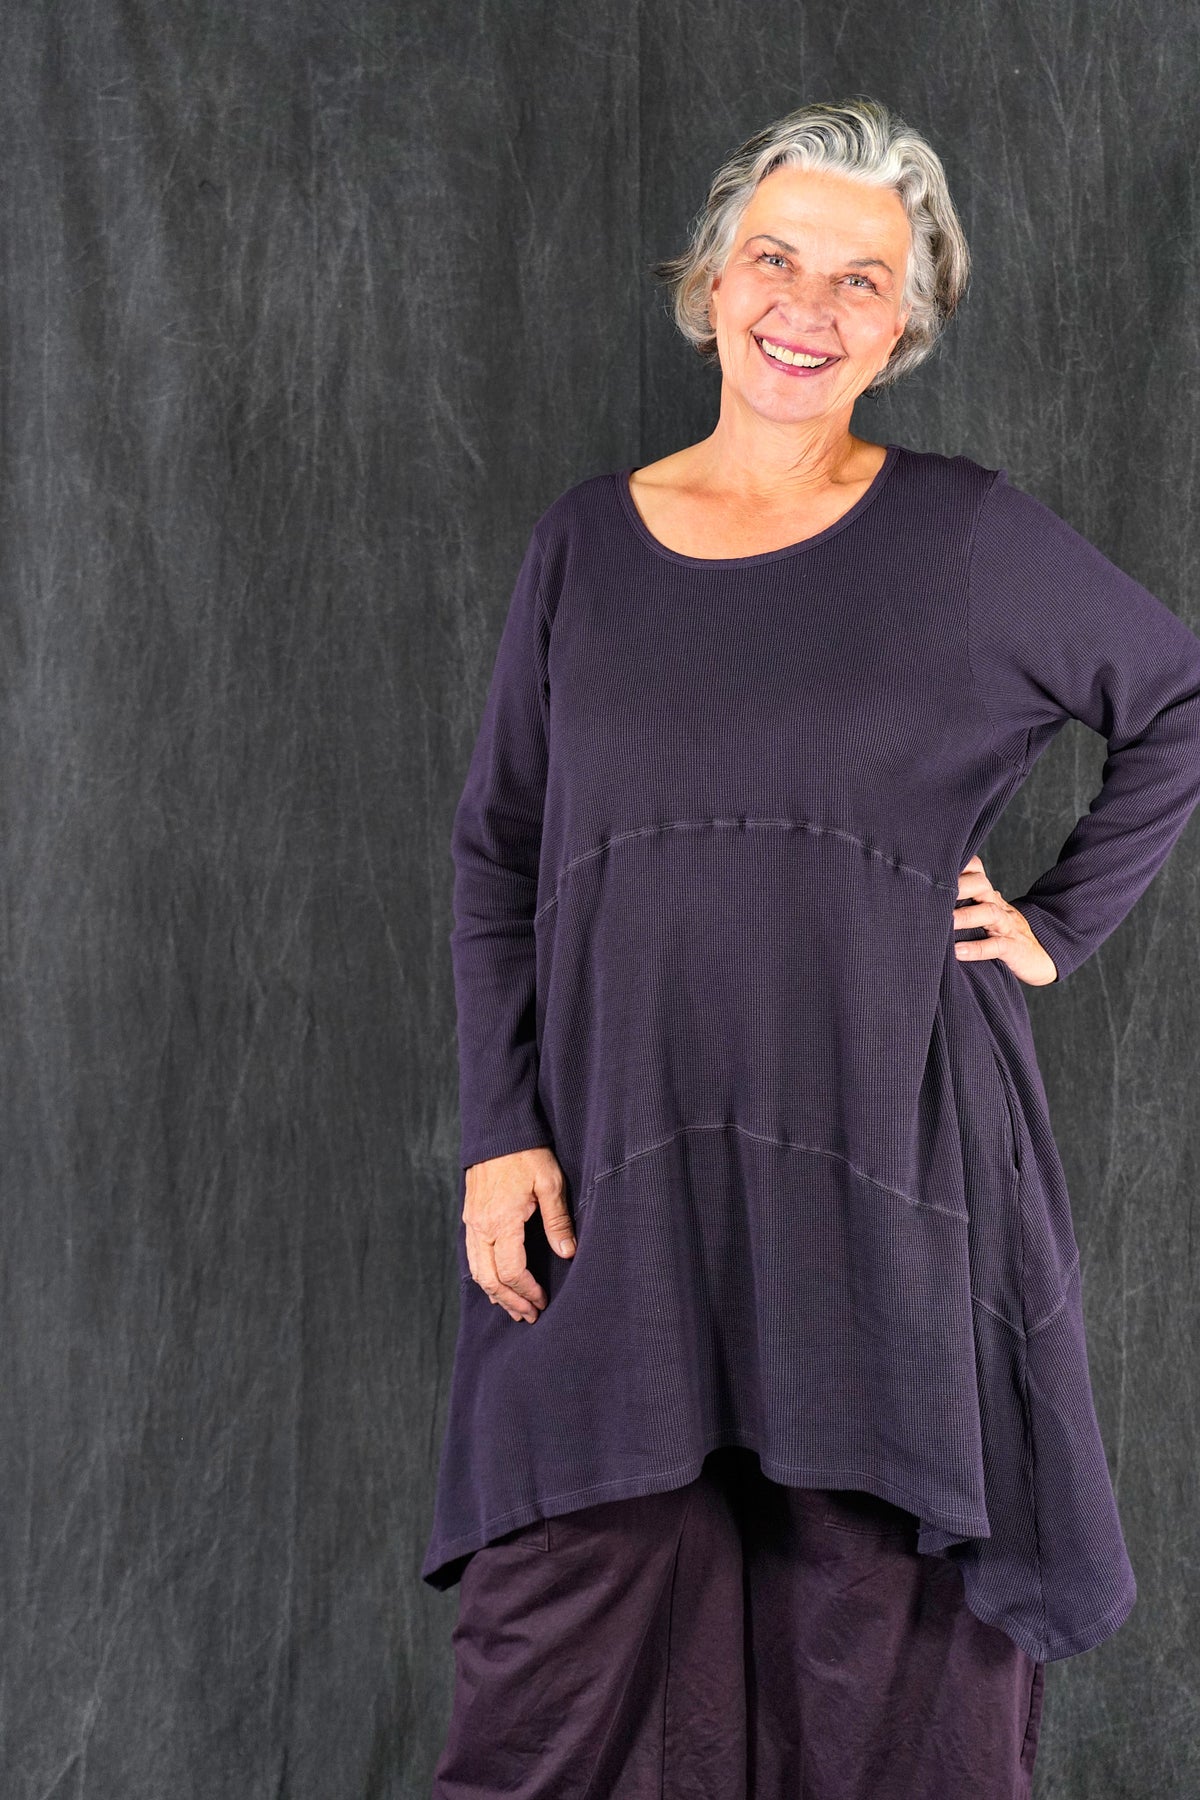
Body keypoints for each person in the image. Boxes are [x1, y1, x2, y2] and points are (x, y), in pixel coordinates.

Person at [424, 95, 1200, 1798]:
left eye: (863, 281)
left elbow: (1177, 697)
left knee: (884, 1659)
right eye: (776, 260)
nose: (808, 307)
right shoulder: (583, 544)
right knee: (565, 1652)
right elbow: (498, 853)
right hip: (614, 1173)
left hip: (888, 1163)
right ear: (711, 282)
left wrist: (1058, 920)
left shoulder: (966, 536)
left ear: (905, 326)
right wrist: (497, 1129)